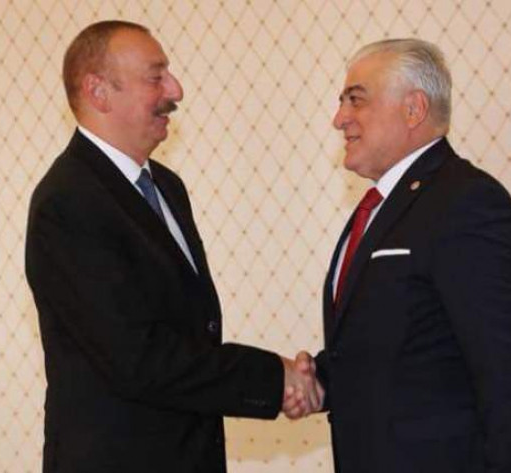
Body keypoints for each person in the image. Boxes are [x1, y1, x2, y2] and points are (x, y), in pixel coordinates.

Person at [25, 20, 320, 473]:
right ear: (98, 92)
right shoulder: (67, 202)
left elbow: (185, 330)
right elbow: (136, 357)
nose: (175, 90)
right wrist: (273, 378)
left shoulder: (166, 185)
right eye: (155, 77)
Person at [293, 39, 511, 472]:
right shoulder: (379, 208)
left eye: (356, 99)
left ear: (413, 109)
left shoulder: (466, 203)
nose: (339, 119)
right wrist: (316, 379)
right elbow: (406, 350)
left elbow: (509, 378)